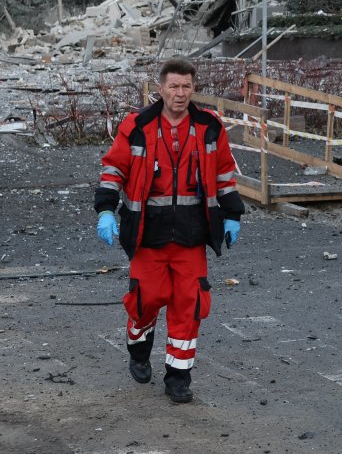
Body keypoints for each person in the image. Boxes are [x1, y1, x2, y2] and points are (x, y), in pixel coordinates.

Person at [94, 58, 244, 403]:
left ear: (194, 88)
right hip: (148, 235)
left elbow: (224, 173)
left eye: (187, 86)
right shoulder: (136, 126)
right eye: (174, 86)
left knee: (189, 305)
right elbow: (113, 169)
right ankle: (138, 347)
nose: (180, 93)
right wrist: (105, 210)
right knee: (146, 301)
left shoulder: (209, 127)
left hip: (192, 237)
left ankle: (178, 377)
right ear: (160, 89)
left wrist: (233, 214)